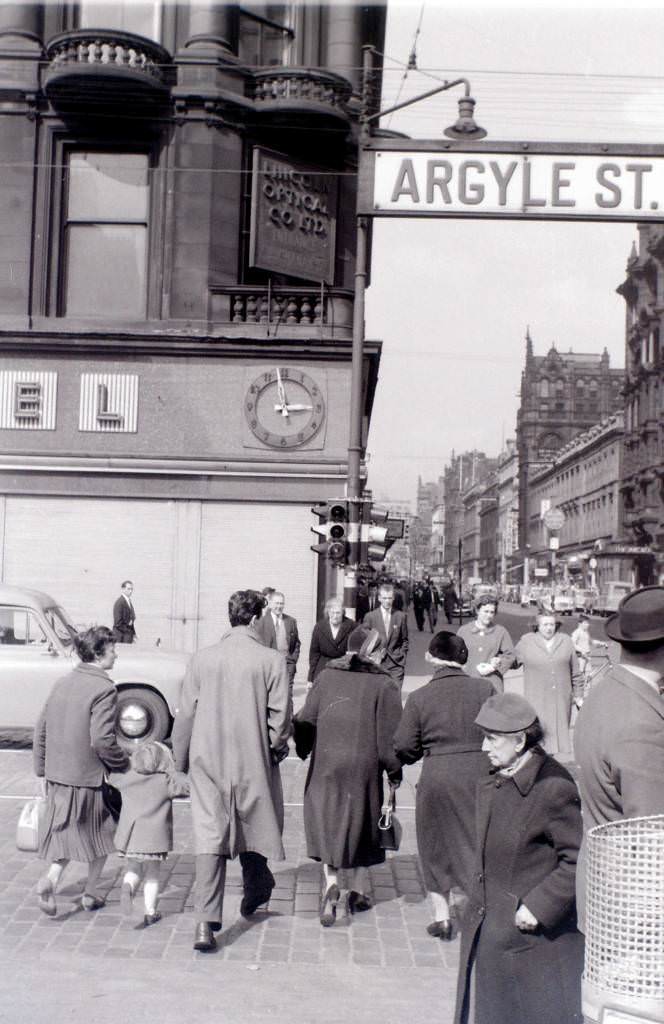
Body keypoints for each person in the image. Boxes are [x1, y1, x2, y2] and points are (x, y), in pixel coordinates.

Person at [171, 589, 291, 953]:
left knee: (211, 833)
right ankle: (257, 884)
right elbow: (280, 719)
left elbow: (185, 715)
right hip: (253, 757)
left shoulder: (202, 659)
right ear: (256, 619)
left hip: (207, 760)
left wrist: (180, 762)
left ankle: (205, 924)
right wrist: (276, 748)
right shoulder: (271, 660)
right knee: (253, 818)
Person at [454, 693, 584, 1024]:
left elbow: (578, 859)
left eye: (492, 739)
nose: (485, 748)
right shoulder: (494, 775)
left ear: (520, 740)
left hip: (532, 943)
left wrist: (539, 905)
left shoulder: (553, 786)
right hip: (492, 931)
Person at [294, 627, 403, 926]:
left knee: (329, 822)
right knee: (361, 825)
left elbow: (305, 720)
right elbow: (390, 739)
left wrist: (304, 749)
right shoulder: (385, 685)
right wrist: (394, 773)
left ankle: (330, 884)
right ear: (374, 652)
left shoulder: (326, 676)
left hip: (327, 765)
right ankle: (356, 890)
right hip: (363, 769)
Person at [574, 586, 664, 928]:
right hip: (637, 916)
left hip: (606, 890)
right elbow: (654, 839)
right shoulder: (642, 727)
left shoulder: (609, 688)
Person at [394, 632, 494, 940]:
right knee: (477, 840)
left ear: (432, 659)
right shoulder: (485, 688)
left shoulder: (420, 697)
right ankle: (481, 909)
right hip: (480, 771)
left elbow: (404, 746)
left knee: (434, 844)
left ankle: (442, 917)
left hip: (438, 774)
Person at [33, 626, 130, 916]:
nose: (116, 653)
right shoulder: (104, 689)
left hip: (58, 775)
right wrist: (122, 764)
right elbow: (101, 740)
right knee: (102, 834)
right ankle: (89, 892)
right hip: (87, 778)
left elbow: (41, 728)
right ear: (99, 654)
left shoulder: (62, 682)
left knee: (68, 833)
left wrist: (41, 771)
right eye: (112, 649)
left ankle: (51, 879)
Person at [111, 740, 190, 927]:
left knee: (133, 869)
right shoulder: (165, 782)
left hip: (130, 838)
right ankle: (150, 912)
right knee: (152, 876)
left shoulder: (127, 779)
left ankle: (128, 886)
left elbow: (111, 777)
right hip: (154, 840)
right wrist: (173, 771)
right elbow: (187, 787)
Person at [513, 611, 584, 756]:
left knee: (554, 743)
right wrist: (496, 660)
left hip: (560, 700)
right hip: (537, 699)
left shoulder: (566, 641)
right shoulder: (526, 641)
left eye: (552, 624)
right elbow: (512, 661)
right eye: (545, 624)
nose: (549, 628)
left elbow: (576, 672)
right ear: (537, 626)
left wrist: (579, 696)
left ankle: (548, 770)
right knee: (537, 740)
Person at [457, 595, 514, 693]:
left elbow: (510, 655)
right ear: (477, 611)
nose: (489, 615)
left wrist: (496, 664)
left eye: (492, 612)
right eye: (486, 611)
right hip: (468, 682)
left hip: (492, 684)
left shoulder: (501, 632)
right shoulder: (464, 631)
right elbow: (454, 655)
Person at [253, 590, 301, 698]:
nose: (279, 606)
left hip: (288, 666)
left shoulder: (291, 621)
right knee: (269, 697)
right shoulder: (261, 622)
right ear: (270, 604)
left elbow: (297, 643)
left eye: (281, 603)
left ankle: (289, 715)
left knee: (288, 697)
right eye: (276, 603)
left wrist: (293, 659)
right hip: (269, 668)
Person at [362, 582, 409, 691]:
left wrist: (402, 656)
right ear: (379, 598)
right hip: (376, 664)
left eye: (389, 598)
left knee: (395, 696)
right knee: (378, 696)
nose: (387, 601)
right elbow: (364, 641)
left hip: (396, 664)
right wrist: (370, 657)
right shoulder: (370, 617)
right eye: (384, 598)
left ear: (393, 598)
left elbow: (405, 640)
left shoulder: (400, 616)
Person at [307, 597, 356, 685]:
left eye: (338, 613)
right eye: (332, 612)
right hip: (323, 668)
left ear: (343, 613)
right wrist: (310, 678)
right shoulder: (319, 627)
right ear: (328, 612)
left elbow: (356, 649)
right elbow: (314, 654)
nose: (335, 616)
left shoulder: (351, 626)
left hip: (343, 668)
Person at [571, 614, 607, 689]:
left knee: (588, 673)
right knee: (580, 674)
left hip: (587, 655)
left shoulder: (586, 632)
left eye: (588, 623)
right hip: (580, 656)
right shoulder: (577, 632)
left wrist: (601, 643)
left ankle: (587, 690)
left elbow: (591, 641)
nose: (588, 625)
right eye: (585, 623)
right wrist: (581, 650)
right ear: (580, 624)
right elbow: (572, 644)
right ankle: (577, 691)